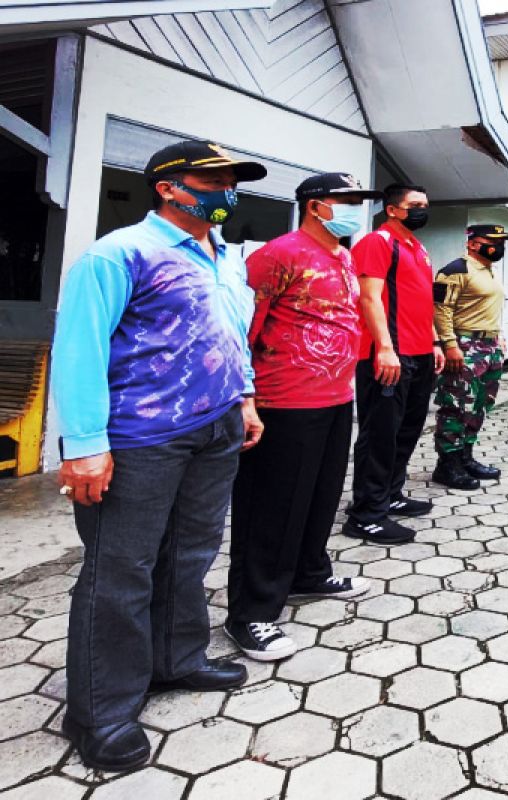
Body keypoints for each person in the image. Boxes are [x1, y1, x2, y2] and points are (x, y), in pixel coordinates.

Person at [50, 140, 266, 771]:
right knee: (121, 572)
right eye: (212, 178)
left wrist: (246, 397)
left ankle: (177, 659)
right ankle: (100, 713)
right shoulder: (119, 254)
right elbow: (79, 348)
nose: (227, 189)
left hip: (217, 425)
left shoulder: (222, 255)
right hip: (143, 438)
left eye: (232, 179)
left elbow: (227, 333)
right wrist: (85, 446)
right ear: (169, 187)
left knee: (191, 553)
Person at [225, 173, 379, 662]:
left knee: (319, 494)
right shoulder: (277, 254)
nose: (358, 208)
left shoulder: (343, 255)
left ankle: (309, 572)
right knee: (272, 505)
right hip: (283, 400)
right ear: (317, 206)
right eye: (349, 201)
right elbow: (242, 329)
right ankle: (251, 611)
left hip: (335, 396)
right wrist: (244, 398)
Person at [346, 184, 443, 541]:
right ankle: (365, 513)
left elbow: (422, 301)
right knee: (380, 434)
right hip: (387, 354)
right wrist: (385, 348)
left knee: (408, 429)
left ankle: (390, 494)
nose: (422, 210)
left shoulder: (417, 247)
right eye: (414, 205)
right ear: (392, 209)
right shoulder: (378, 242)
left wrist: (433, 341)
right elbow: (369, 298)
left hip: (418, 353)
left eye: (425, 204)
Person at [431, 224, 508, 490]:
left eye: (501, 241)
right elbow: (441, 310)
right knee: (456, 405)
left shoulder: (488, 270)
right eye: (494, 241)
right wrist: (449, 345)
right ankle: (447, 465)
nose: (499, 246)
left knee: (479, 404)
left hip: (489, 346)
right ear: (473, 243)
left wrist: (498, 337)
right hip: (464, 345)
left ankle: (466, 456)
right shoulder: (456, 270)